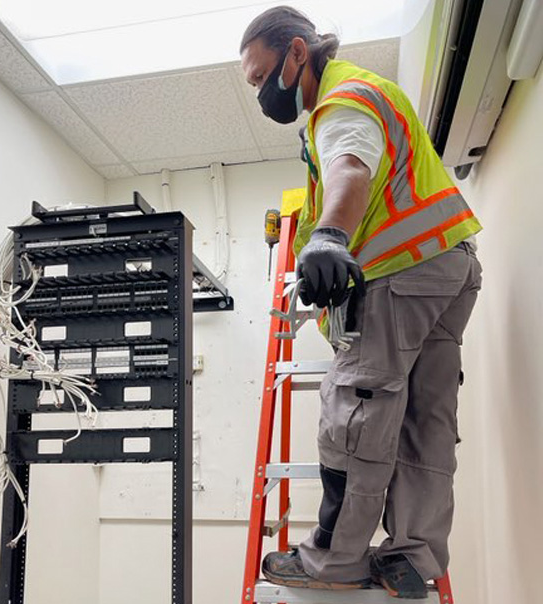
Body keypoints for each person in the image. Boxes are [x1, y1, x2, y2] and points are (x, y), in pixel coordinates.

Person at [240, 6, 482, 600]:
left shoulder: (342, 100)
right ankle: (412, 556)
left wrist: (326, 236)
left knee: (357, 412)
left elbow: (350, 167)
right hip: (452, 265)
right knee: (428, 419)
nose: (260, 93)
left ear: (298, 53)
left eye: (259, 75)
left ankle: (335, 560)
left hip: (402, 274)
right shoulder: (377, 92)